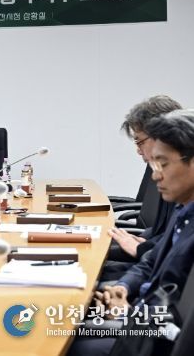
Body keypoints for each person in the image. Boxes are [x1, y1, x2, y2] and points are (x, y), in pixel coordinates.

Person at [70, 109, 194, 356]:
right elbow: (150, 264)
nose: (155, 175)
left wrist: (127, 313)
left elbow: (181, 327)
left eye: (163, 164)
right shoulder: (184, 211)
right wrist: (123, 287)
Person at [101, 96, 181, 280]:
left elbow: (175, 252)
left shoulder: (182, 183)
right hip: (151, 257)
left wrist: (141, 248)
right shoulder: (165, 173)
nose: (138, 150)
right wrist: (144, 241)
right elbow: (164, 232)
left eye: (140, 142)